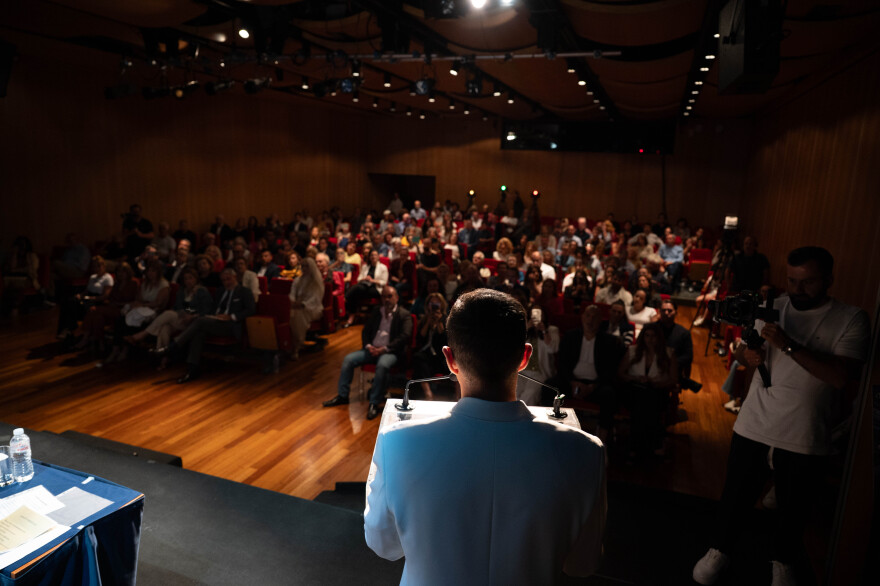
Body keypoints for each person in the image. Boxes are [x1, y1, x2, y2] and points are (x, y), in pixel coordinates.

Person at [364, 289, 606, 583]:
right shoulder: (586, 453)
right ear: (525, 357)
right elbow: (583, 564)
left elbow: (383, 546)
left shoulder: (396, 444)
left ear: (450, 360)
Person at [693, 247, 870, 586]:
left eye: (808, 282)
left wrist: (788, 345)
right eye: (792, 280)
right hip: (755, 422)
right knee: (735, 497)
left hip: (805, 432)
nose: (797, 290)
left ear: (829, 280)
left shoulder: (851, 318)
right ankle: (720, 550)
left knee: (793, 510)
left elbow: (839, 377)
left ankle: (783, 561)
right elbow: (744, 356)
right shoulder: (771, 308)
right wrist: (750, 356)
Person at [323, 286, 412, 420]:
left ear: (396, 298)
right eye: (384, 296)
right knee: (348, 359)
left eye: (390, 296)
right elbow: (365, 331)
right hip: (372, 349)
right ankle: (342, 396)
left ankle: (374, 403)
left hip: (390, 352)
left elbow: (405, 336)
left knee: (382, 365)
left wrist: (384, 349)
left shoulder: (404, 314)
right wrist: (369, 346)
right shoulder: (377, 311)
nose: (386, 299)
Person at [155, 268, 256, 383]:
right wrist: (190, 311)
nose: (226, 282)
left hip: (230, 324)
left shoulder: (243, 292)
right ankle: (192, 369)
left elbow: (250, 310)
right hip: (208, 320)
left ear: (235, 277)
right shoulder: (184, 291)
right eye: (223, 280)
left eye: (228, 279)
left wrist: (231, 316)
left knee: (199, 321)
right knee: (198, 332)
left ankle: (172, 347)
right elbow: (181, 307)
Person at [124, 267, 212, 369]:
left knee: (168, 314)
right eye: (186, 279)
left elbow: (207, 310)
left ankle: (141, 335)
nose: (188, 281)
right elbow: (178, 307)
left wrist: (192, 315)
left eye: (190, 278)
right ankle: (164, 360)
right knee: (164, 328)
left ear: (196, 279)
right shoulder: (182, 291)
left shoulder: (202, 291)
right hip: (180, 319)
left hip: (194, 322)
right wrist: (185, 311)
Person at [618, 322, 677, 457]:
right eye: (647, 336)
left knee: (650, 401)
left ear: (659, 338)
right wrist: (636, 378)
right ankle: (646, 445)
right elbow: (621, 373)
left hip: (657, 391)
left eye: (654, 336)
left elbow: (673, 379)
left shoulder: (668, 353)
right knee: (641, 401)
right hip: (635, 389)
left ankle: (641, 446)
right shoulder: (633, 351)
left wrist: (656, 383)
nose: (650, 340)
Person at [515, 304, 559, 406]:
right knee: (515, 391)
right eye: (534, 313)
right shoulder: (524, 329)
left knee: (530, 394)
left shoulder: (552, 330)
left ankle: (523, 418)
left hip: (539, 371)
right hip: (522, 370)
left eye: (539, 313)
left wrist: (544, 331)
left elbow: (552, 349)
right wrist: (525, 328)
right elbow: (513, 346)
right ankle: (513, 417)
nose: (536, 316)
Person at [410, 292, 449, 400]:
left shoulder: (446, 319)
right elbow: (420, 339)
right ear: (428, 305)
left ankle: (457, 395)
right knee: (418, 358)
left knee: (419, 369)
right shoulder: (424, 319)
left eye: (437, 303)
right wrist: (428, 322)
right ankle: (428, 393)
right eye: (432, 303)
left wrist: (439, 322)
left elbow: (445, 341)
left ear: (442, 304)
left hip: (441, 355)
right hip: (427, 354)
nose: (435, 305)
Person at [657, 299, 701, 392]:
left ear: (676, 313)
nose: (666, 313)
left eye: (669, 310)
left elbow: (688, 357)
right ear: (659, 311)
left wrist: (670, 362)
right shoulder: (651, 328)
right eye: (663, 310)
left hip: (672, 371)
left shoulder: (683, 333)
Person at [288, 257, 325, 359]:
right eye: (302, 266)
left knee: (298, 315)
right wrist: (293, 301)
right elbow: (292, 293)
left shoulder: (316, 282)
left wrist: (303, 304)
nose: (304, 268)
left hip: (312, 308)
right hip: (297, 306)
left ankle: (296, 346)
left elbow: (315, 298)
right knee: (291, 312)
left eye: (306, 266)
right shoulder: (297, 280)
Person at [343, 249, 388, 327]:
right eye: (371, 255)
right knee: (356, 293)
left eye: (375, 255)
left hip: (376, 289)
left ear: (378, 257)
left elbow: (384, 282)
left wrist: (372, 280)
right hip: (364, 287)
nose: (373, 256)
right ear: (369, 257)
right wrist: (364, 279)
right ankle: (351, 317)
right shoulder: (365, 267)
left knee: (357, 289)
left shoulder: (383, 267)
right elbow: (358, 279)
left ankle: (345, 300)